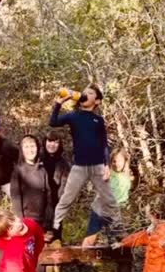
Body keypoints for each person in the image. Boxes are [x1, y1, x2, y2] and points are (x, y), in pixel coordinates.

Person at [50, 85, 123, 239]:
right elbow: (53, 122)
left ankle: (118, 230)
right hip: (79, 168)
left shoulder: (98, 120)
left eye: (90, 93)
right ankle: (55, 228)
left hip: (98, 167)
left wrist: (107, 165)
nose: (85, 94)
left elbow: (104, 144)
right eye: (84, 92)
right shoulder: (73, 116)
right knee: (66, 198)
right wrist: (59, 103)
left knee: (109, 199)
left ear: (96, 100)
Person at [11, 135, 52, 272]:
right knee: (27, 251)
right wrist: (20, 222)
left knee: (40, 249)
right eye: (26, 146)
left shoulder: (42, 170)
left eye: (33, 146)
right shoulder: (18, 171)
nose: (30, 149)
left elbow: (49, 197)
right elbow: (16, 198)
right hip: (26, 219)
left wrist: (48, 222)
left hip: (42, 220)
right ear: (22, 150)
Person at [85, 148, 139, 248]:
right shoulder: (108, 173)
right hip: (101, 209)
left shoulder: (129, 175)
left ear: (125, 161)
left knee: (119, 240)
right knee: (91, 238)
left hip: (117, 211)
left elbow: (130, 191)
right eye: (114, 161)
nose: (116, 163)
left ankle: (120, 261)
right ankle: (81, 258)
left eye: (119, 160)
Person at [41, 132, 70, 238]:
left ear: (60, 145)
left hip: (55, 205)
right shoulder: (38, 159)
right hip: (37, 205)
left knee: (54, 238)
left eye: (56, 142)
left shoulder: (64, 164)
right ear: (45, 142)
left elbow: (64, 188)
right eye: (49, 141)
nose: (52, 145)